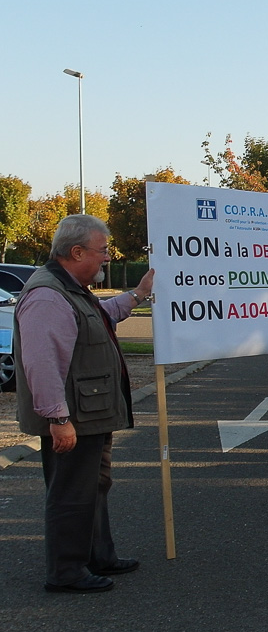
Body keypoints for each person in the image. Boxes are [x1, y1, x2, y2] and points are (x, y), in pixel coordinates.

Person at [15, 214, 154, 593]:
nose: (107, 258)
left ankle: (98, 556)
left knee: (94, 485)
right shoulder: (48, 295)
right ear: (76, 252)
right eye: (102, 251)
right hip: (74, 415)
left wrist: (138, 294)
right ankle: (67, 571)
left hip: (89, 413)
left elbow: (100, 317)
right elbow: (42, 363)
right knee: (71, 493)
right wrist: (58, 418)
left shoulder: (72, 289)